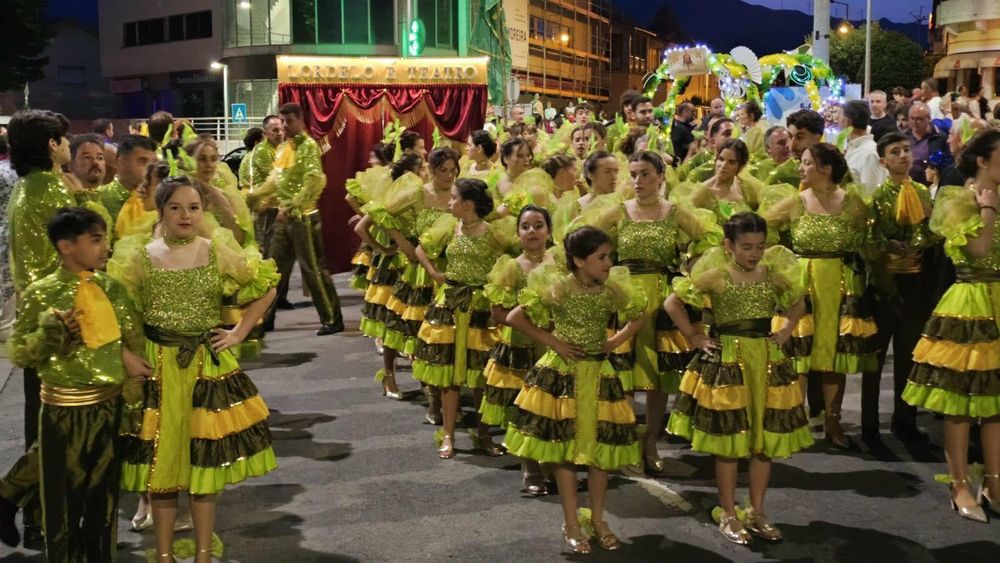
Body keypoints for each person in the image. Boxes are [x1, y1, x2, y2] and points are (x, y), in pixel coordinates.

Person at [109, 176, 278, 562]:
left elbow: (265, 287)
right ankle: (164, 555)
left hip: (205, 368)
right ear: (160, 210)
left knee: (204, 464)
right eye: (176, 207)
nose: (186, 215)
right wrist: (128, 356)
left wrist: (239, 332)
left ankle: (204, 553)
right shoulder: (139, 256)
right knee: (163, 468)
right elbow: (116, 314)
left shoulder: (215, 250)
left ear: (203, 212)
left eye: (194, 208)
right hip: (159, 369)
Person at [7, 207, 145, 561]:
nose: (104, 248)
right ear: (66, 246)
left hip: (107, 406)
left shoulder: (111, 288)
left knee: (102, 502)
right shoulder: (42, 293)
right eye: (96, 240)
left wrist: (132, 399)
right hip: (61, 412)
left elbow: (132, 342)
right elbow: (21, 352)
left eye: (105, 239)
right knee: (62, 505)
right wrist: (51, 332)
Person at [666, 212, 811, 545]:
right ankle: (729, 513)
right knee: (729, 443)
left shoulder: (772, 274)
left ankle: (758, 512)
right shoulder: (716, 276)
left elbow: (799, 302)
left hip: (767, 361)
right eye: (746, 246)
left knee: (763, 444)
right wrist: (694, 336)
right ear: (728, 246)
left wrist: (787, 329)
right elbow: (673, 301)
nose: (754, 253)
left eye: (760, 246)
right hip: (728, 362)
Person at [578, 151, 721, 474]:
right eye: (633, 174)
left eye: (644, 174)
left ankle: (651, 442)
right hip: (625, 295)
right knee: (623, 374)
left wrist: (690, 266)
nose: (637, 181)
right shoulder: (619, 210)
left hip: (661, 296)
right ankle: (627, 442)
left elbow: (710, 237)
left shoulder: (674, 212)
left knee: (656, 378)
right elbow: (585, 239)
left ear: (660, 176)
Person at [504, 226, 645, 554]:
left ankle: (597, 520)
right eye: (602, 257)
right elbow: (515, 317)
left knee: (600, 453)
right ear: (580, 261)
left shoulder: (610, 288)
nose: (609, 263)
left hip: (599, 375)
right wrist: (556, 343)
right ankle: (570, 522)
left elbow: (640, 315)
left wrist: (613, 342)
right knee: (563, 451)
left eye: (609, 256)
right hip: (562, 377)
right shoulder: (561, 287)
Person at [902, 129, 1000, 523]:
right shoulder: (957, 197)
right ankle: (959, 484)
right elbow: (976, 250)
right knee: (959, 404)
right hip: (970, 303)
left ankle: (994, 481)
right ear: (982, 160)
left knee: (995, 405)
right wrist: (989, 210)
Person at [762, 143, 877, 449]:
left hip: (840, 283)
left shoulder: (853, 201)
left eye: (806, 163)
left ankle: (833, 422)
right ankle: (795, 421)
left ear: (825, 169)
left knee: (833, 356)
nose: (800, 168)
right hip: (803, 283)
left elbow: (868, 239)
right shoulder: (794, 202)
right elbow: (764, 231)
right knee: (798, 355)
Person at [1, 110, 77, 549]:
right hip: (62, 324)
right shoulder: (49, 188)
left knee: (45, 423)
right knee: (63, 427)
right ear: (52, 145)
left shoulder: (24, 188)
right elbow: (82, 247)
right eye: (65, 139)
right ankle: (28, 506)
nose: (68, 146)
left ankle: (37, 520)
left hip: (39, 322)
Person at [412, 179, 518, 458]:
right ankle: (448, 434)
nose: (449, 202)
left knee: (480, 375)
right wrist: (435, 273)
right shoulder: (450, 226)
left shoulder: (495, 234)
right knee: (449, 375)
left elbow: (517, 259)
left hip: (481, 309)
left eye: (454, 198)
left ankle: (483, 435)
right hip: (449, 305)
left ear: (468, 204)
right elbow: (420, 249)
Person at [861, 132, 938, 442]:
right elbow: (868, 239)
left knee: (908, 355)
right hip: (884, 283)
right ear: (883, 161)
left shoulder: (922, 192)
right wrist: (888, 245)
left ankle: (905, 421)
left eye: (907, 150)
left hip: (915, 282)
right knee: (875, 358)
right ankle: (869, 425)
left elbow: (933, 231)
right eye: (896, 152)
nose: (904, 156)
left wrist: (923, 241)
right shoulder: (877, 198)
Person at [480, 205, 555, 494]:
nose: (532, 231)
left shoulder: (560, 262)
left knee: (551, 404)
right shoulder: (510, 267)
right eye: (526, 226)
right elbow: (497, 313)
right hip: (522, 345)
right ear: (518, 233)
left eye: (538, 225)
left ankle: (550, 458)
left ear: (549, 230)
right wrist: (535, 324)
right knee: (523, 406)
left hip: (555, 345)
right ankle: (530, 466)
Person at [256, 102, 344, 335]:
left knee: (313, 269)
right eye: (282, 121)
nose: (285, 126)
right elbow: (275, 180)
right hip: (284, 216)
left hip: (304, 217)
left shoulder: (308, 146)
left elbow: (315, 180)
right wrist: (254, 198)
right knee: (272, 269)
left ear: (300, 121)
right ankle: (265, 317)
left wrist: (295, 204)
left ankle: (332, 318)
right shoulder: (284, 148)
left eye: (289, 121)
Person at [97, 135, 159, 240]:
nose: (151, 168)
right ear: (121, 163)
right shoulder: (99, 198)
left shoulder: (161, 199)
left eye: (154, 162)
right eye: (142, 161)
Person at [245, 115, 284, 260]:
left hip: (276, 207)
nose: (280, 133)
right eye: (275, 130)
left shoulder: (280, 148)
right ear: (265, 133)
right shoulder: (262, 151)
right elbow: (279, 178)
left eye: (281, 129)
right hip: (264, 208)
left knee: (275, 250)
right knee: (263, 250)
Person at [841, 100, 887, 194]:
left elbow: (871, 193)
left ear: (847, 122)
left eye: (838, 117)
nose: (837, 121)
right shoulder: (851, 149)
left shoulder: (869, 153)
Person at [906, 102, 950, 184]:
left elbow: (948, 164)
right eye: (912, 118)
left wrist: (936, 172)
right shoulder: (903, 136)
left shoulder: (941, 138)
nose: (915, 122)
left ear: (929, 118)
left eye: (919, 119)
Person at [92, 118, 117, 184]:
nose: (113, 132)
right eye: (111, 130)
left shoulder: (87, 145)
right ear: (107, 131)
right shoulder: (113, 148)